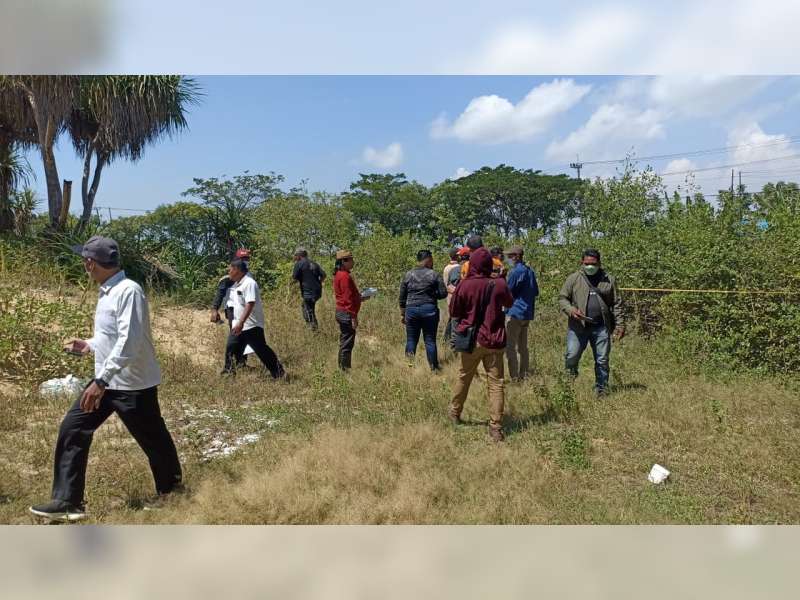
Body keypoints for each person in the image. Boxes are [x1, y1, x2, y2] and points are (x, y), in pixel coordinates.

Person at [29, 236, 182, 522]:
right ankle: (68, 502)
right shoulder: (107, 292)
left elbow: (130, 341)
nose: (83, 265)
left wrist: (100, 381)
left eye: (84, 260)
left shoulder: (128, 291)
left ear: (91, 263)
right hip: (107, 380)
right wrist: (89, 345)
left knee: (152, 438)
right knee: (73, 427)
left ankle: (172, 491)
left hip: (133, 383)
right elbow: (111, 337)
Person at [449, 246, 514, 442]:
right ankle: (495, 427)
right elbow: (509, 303)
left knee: (464, 377)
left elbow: (454, 312)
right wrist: (501, 278)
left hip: (471, 340)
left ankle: (454, 413)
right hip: (494, 340)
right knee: (496, 384)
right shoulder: (499, 284)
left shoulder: (465, 284)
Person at [558, 248, 625, 395]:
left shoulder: (609, 279)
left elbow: (617, 304)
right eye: (587, 263)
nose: (590, 266)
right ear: (582, 262)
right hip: (578, 327)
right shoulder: (574, 278)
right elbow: (563, 298)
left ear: (599, 263)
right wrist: (571, 310)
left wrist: (620, 325)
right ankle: (568, 384)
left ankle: (601, 389)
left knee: (602, 360)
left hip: (601, 327)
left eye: (593, 264)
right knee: (571, 356)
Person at [223, 259, 286, 379]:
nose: (228, 272)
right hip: (239, 325)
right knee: (231, 347)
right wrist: (238, 322)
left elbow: (250, 303)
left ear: (237, 270)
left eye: (230, 270)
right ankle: (228, 374)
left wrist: (241, 322)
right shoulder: (237, 284)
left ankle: (279, 373)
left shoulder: (249, 283)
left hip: (251, 325)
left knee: (261, 350)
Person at [399, 249, 448, 370]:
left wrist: (402, 314)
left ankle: (409, 367)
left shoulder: (408, 275)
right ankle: (434, 368)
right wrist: (432, 294)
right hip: (429, 309)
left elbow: (402, 297)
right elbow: (443, 293)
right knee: (430, 341)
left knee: (411, 340)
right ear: (428, 260)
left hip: (411, 310)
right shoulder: (434, 274)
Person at [210, 248, 251, 367]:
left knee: (245, 336)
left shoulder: (249, 276)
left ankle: (241, 362)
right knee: (235, 335)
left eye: (247, 258)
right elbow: (220, 293)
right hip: (232, 309)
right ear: (237, 259)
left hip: (245, 309)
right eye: (243, 258)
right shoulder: (229, 277)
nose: (245, 261)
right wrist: (214, 309)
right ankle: (230, 365)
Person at [504, 246, 539, 381]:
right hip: (526, 314)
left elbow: (507, 291)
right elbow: (535, 292)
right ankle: (524, 374)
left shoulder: (516, 272)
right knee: (523, 347)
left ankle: (514, 377)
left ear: (516, 256)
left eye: (510, 256)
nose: (508, 259)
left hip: (515, 313)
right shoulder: (530, 271)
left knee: (510, 347)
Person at [333, 249, 370, 371]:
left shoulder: (340, 274)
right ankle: (345, 370)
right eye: (351, 260)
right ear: (344, 261)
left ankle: (342, 368)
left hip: (342, 312)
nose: (353, 262)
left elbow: (348, 296)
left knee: (345, 341)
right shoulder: (344, 276)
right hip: (346, 313)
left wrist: (360, 298)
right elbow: (347, 299)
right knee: (347, 343)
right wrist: (353, 317)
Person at [292, 247, 326, 331]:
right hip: (317, 292)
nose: (295, 257)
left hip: (308, 292)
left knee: (308, 310)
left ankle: (313, 330)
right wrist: (318, 283)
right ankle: (313, 328)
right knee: (309, 308)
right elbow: (324, 275)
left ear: (299, 255)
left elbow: (294, 278)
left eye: (296, 255)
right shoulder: (314, 263)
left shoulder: (299, 264)